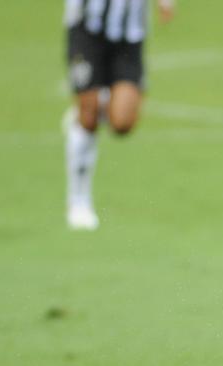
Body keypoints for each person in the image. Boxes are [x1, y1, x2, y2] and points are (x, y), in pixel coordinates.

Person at [62, 0, 175, 230]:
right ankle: (79, 200)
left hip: (129, 35)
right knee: (88, 116)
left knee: (123, 123)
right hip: (87, 29)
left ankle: (93, 105)